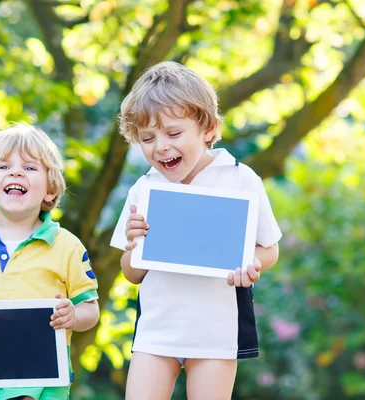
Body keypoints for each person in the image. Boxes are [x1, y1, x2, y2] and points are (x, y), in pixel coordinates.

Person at [110, 62, 282, 400]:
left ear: (208, 129)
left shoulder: (240, 179)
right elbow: (131, 273)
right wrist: (135, 244)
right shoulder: (144, 189)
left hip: (215, 332)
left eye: (173, 133)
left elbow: (269, 249)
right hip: (157, 330)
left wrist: (249, 264)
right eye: (147, 138)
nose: (160, 147)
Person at [0, 123, 100, 400]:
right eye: (3, 167)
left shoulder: (67, 245)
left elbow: (90, 309)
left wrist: (73, 316)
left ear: (50, 190)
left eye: (30, 168)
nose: (16, 172)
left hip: (45, 388)